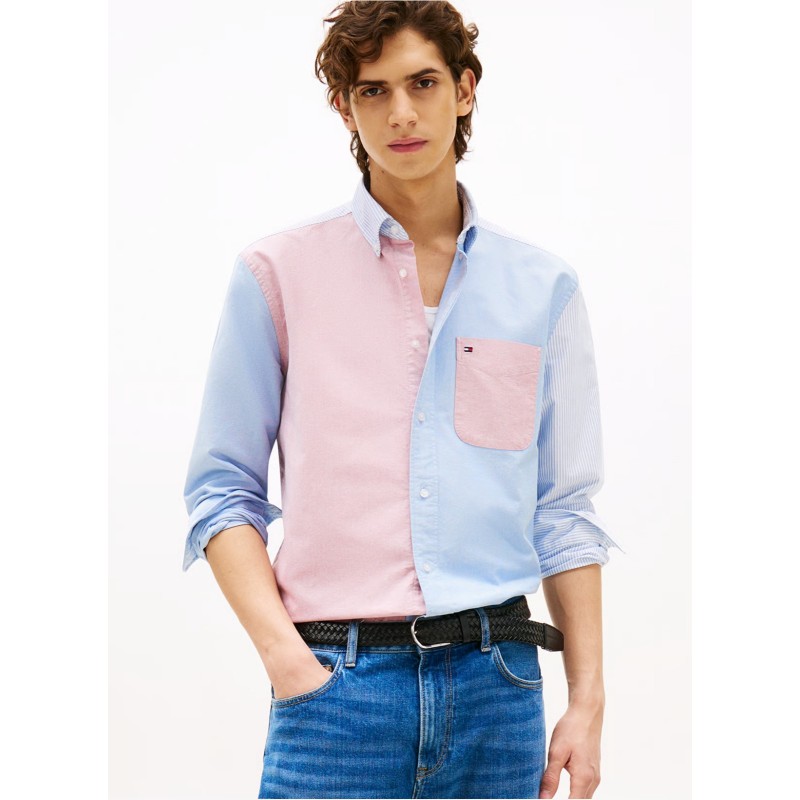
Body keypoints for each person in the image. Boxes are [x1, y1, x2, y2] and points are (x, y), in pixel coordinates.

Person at [182, 2, 619, 798]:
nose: (402, 113)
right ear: (343, 106)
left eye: (422, 83)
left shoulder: (542, 289)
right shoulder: (277, 275)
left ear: (465, 89)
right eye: (373, 90)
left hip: (498, 691)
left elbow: (562, 509)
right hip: (334, 695)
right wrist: (288, 660)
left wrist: (586, 701)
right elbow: (221, 492)